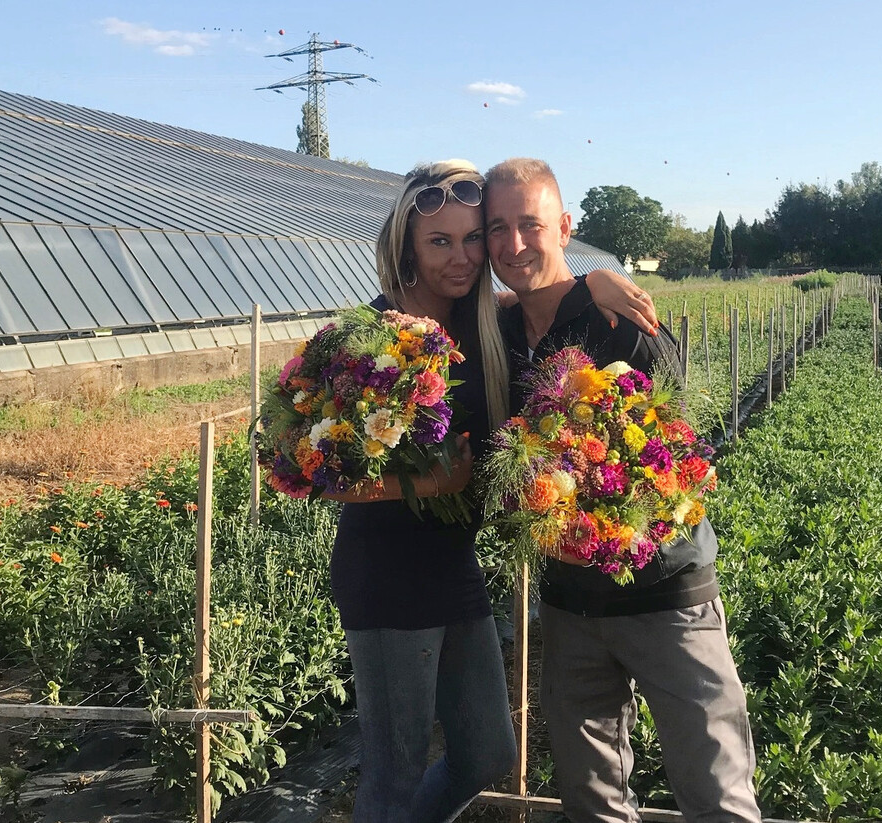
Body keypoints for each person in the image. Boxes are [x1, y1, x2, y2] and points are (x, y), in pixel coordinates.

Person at [325, 159, 658, 823]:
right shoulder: (373, 336)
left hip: (452, 566)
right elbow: (322, 472)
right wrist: (432, 479)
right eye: (439, 241)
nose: (463, 255)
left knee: (484, 750)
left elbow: (542, 291)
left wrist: (593, 280)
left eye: (471, 237)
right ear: (407, 248)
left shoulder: (481, 326)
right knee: (394, 773)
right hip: (389, 573)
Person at [483, 157, 762, 823]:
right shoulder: (494, 333)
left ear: (565, 226)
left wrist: (610, 530)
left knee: (716, 791)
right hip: (569, 605)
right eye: (497, 227)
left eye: (531, 223)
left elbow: (684, 456)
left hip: (666, 596)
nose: (513, 244)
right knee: (591, 799)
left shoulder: (623, 323)